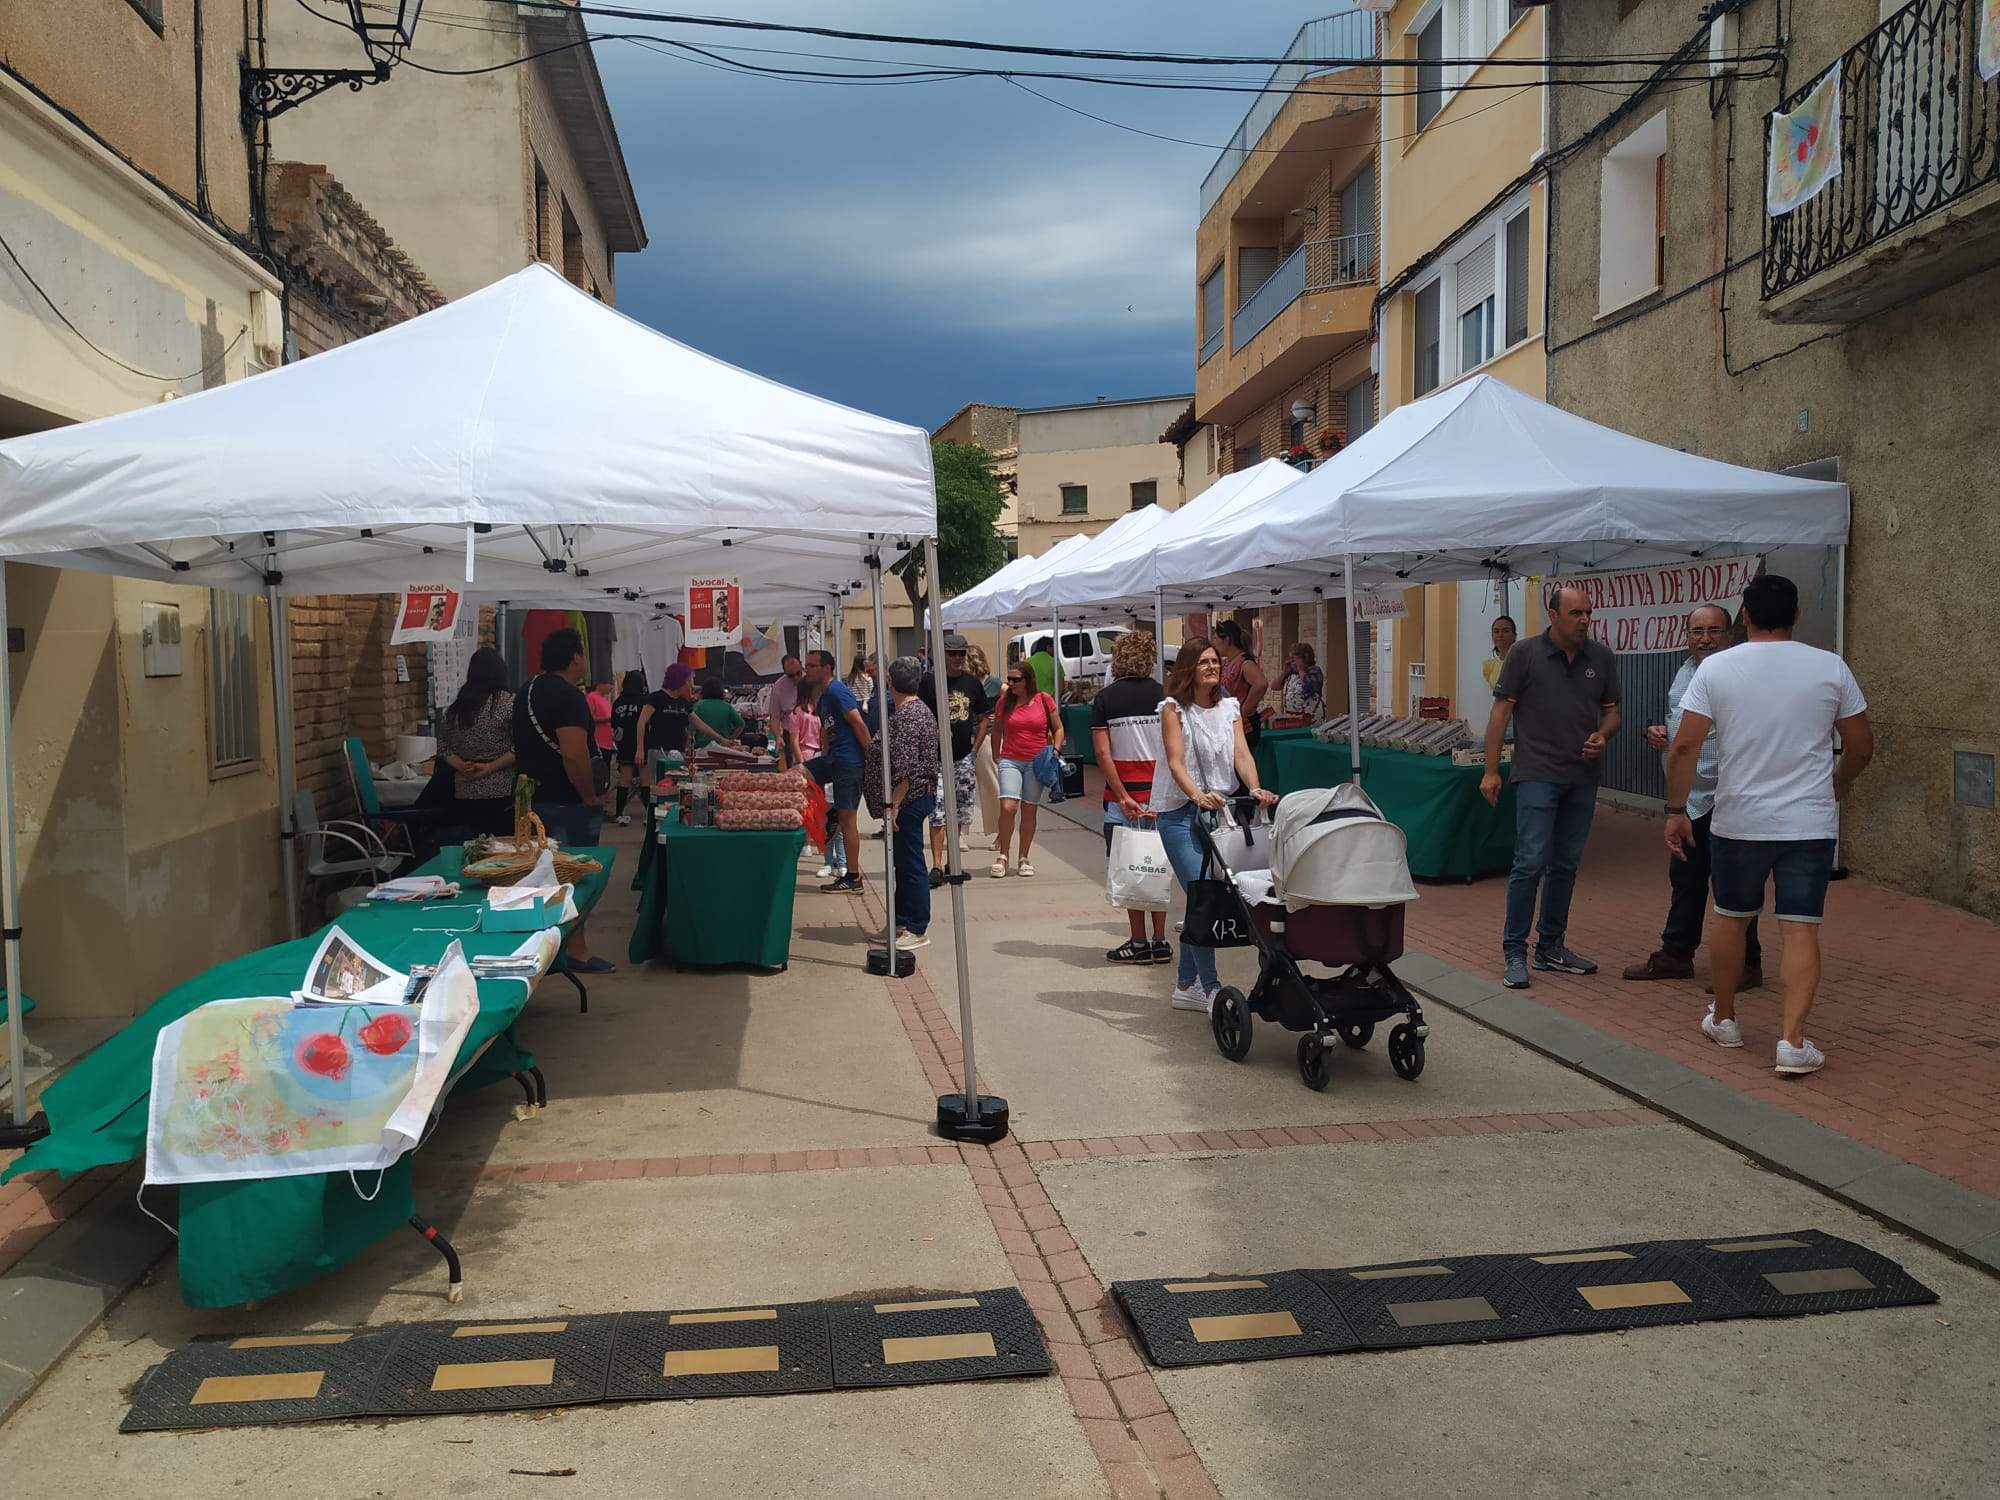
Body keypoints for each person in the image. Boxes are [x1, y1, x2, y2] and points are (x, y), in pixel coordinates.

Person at [1667, 574, 1872, 1078]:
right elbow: (1862, 746)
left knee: (1731, 918)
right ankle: (1792, 1042)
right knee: (1802, 928)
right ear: (1797, 615)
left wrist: (1675, 810)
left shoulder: (1716, 668)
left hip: (1739, 819)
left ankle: (1726, 1018)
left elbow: (1685, 745)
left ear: (1744, 617)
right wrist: (1837, 780)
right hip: (1809, 821)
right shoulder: (1830, 667)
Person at [1481, 584, 1621, 990]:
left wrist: (1604, 735)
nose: (1584, 621)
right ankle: (1514, 951)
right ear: (1553, 614)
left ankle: (1551, 946)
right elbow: (1499, 713)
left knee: (1566, 864)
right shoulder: (1524, 654)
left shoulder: (1602, 658)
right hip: (1537, 773)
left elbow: (1613, 713)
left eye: (1588, 614)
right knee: (1529, 862)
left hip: (1582, 777)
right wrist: (1491, 770)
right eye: (1576, 613)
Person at [1623, 606, 1764, 986]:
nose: (1705, 638)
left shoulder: (1741, 672)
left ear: (1729, 634)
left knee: (1734, 886)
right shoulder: (1685, 671)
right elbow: (1680, 726)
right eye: (1697, 631)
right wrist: (1656, 733)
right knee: (1685, 880)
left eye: (1714, 631)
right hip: (1689, 800)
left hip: (1727, 796)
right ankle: (1676, 955)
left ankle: (1747, 965)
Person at [1155, 637, 1277, 1011]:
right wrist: (1196, 794)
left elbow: (1241, 752)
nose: (1212, 667)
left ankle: (1185, 983)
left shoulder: (1231, 708)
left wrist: (1254, 786)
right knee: (1202, 893)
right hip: (1179, 813)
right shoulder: (1172, 709)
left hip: (1221, 813)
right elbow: (1176, 763)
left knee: (1205, 897)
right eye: (1204, 662)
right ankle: (1209, 987)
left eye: (1215, 662)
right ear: (1189, 668)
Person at [511, 627, 610, 971]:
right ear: (575, 657)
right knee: (572, 877)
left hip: (529, 799)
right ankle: (575, 950)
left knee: (537, 878)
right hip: (565, 802)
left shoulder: (525, 691)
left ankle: (543, 948)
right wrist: (589, 796)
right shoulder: (568, 697)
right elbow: (573, 755)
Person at [1092, 630, 1169, 965]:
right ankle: (1161, 940)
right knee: (1156, 867)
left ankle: (1139, 942)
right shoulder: (1166, 697)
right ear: (1150, 658)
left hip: (1121, 798)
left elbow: (1102, 752)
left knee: (1130, 866)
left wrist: (1122, 795)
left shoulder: (1105, 699)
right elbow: (1173, 751)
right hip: (1159, 796)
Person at [864, 656, 940, 950]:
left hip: (910, 798)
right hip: (910, 797)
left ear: (890, 682)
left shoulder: (910, 715)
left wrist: (894, 804)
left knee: (910, 864)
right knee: (902, 862)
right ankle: (900, 920)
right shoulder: (913, 711)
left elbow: (906, 766)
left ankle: (917, 926)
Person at [921, 632, 990, 889]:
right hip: (935, 759)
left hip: (962, 757)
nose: (958, 658)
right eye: (953, 653)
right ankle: (937, 865)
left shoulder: (972, 683)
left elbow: (984, 716)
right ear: (943, 656)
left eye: (961, 653)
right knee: (937, 811)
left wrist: (975, 749)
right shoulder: (929, 682)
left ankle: (954, 862)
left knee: (961, 811)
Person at [803, 649, 873, 894]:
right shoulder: (822, 698)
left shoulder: (837, 691)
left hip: (849, 763)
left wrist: (869, 758)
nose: (807, 669)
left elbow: (858, 723)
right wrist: (825, 752)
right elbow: (827, 731)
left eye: (812, 665)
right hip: (833, 760)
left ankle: (853, 877)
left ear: (826, 668)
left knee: (848, 821)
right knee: (795, 775)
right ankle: (826, 811)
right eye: (807, 665)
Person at [986, 657, 1062, 878]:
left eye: (1016, 679)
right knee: (1008, 806)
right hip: (1010, 758)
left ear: (1028, 680)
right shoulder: (1004, 701)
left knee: (1029, 808)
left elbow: (1058, 728)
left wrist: (1055, 751)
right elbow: (997, 729)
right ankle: (1003, 854)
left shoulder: (1043, 699)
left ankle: (1024, 856)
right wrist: (995, 754)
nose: (1011, 683)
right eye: (1009, 679)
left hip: (1036, 761)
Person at [437, 647, 516, 837]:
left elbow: (443, 746)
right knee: (498, 851)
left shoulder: (456, 709)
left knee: (471, 847)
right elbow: (519, 748)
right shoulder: (510, 703)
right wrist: (488, 767)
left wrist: (462, 766)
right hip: (501, 791)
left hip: (464, 789)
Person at [791, 690, 845, 879]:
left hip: (809, 760)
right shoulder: (826, 710)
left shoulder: (798, 711)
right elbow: (826, 737)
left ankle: (812, 846)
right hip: (821, 759)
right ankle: (837, 860)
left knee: (813, 808)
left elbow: (794, 741)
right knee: (829, 811)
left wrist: (801, 763)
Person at [1211, 619, 1268, 746]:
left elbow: (1261, 684)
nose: (1213, 643)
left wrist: (1245, 709)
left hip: (1244, 726)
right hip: (1229, 724)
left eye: (1215, 638)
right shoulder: (1227, 662)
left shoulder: (1244, 662)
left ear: (1227, 639)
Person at [609, 670, 647, 825]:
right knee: (645, 780)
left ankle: (619, 814)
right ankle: (649, 815)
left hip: (624, 744)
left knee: (624, 780)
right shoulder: (645, 701)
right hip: (642, 744)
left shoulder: (618, 702)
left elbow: (614, 726)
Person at [766, 655, 805, 767]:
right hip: (790, 733)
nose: (796, 677)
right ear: (785, 673)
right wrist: (778, 736)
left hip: (811, 730)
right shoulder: (778, 687)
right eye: (791, 675)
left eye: (799, 673)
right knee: (795, 768)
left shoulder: (810, 680)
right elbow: (774, 717)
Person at [1276, 641, 1325, 723]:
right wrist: (1284, 672)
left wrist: (1301, 669)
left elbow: (1307, 686)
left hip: (1311, 717)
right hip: (1293, 717)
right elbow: (1275, 686)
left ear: (1305, 658)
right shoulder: (1292, 672)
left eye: (1295, 659)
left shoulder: (1314, 671)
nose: (1293, 662)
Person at [587, 678, 615, 817]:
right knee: (598, 775)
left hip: (607, 741)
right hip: (598, 742)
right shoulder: (592, 697)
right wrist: (607, 719)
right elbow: (589, 718)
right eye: (609, 683)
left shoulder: (605, 699)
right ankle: (596, 807)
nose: (612, 686)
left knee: (605, 773)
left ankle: (602, 805)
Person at [693, 678, 746, 744]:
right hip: (723, 746)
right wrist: (730, 738)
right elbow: (741, 724)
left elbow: (691, 728)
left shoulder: (698, 705)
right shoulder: (727, 706)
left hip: (702, 746)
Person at [1480, 614, 1518, 694]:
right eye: (1496, 631)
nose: (1500, 635)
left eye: (1506, 631)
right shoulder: (1488, 666)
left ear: (1514, 635)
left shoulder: (1523, 663)